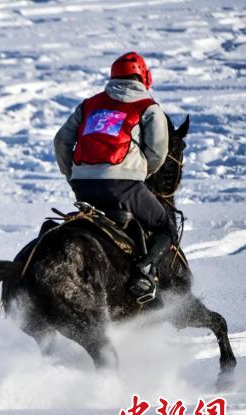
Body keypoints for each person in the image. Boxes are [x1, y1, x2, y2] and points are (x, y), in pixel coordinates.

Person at [54, 51, 177, 302]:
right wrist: (140, 173)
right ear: (144, 77)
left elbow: (61, 141)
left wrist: (73, 174)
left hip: (83, 186)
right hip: (123, 185)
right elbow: (158, 151)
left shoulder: (89, 104)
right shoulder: (148, 106)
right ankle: (143, 274)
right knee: (166, 226)